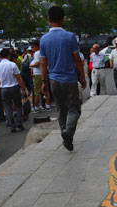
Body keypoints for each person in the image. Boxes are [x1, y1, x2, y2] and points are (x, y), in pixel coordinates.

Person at [40, 5, 87, 151]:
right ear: (63, 19)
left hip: (53, 80)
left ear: (49, 19)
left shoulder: (44, 39)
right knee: (74, 109)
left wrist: (43, 82)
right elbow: (77, 60)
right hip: (69, 79)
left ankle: (66, 138)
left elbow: (43, 63)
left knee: (61, 110)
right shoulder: (69, 37)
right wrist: (83, 77)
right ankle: (68, 132)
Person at [0, 48, 27, 132]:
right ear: (9, 55)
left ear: (0, 56)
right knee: (18, 105)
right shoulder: (12, 64)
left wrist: (0, 88)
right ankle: (19, 122)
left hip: (4, 88)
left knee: (7, 107)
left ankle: (12, 125)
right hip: (14, 87)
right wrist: (23, 87)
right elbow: (18, 77)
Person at [29, 41, 48, 112]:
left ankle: (36, 107)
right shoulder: (43, 52)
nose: (32, 49)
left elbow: (37, 64)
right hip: (43, 73)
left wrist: (30, 65)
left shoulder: (37, 53)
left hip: (37, 74)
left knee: (37, 92)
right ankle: (47, 105)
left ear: (37, 46)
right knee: (45, 90)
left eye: (32, 47)